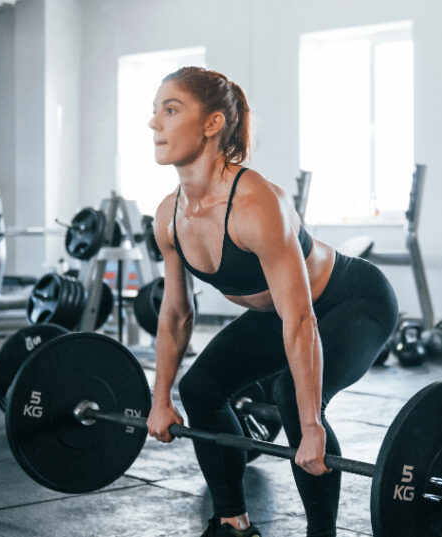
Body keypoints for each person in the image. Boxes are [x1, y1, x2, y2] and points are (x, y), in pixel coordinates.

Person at [144, 66, 399, 537]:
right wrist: (160, 400)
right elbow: (177, 314)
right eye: (154, 111)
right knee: (200, 389)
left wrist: (311, 426)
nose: (154, 123)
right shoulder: (168, 217)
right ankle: (233, 523)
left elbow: (302, 319)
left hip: (351, 301)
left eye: (171, 109)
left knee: (293, 399)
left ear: (213, 123)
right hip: (280, 312)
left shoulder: (254, 203)